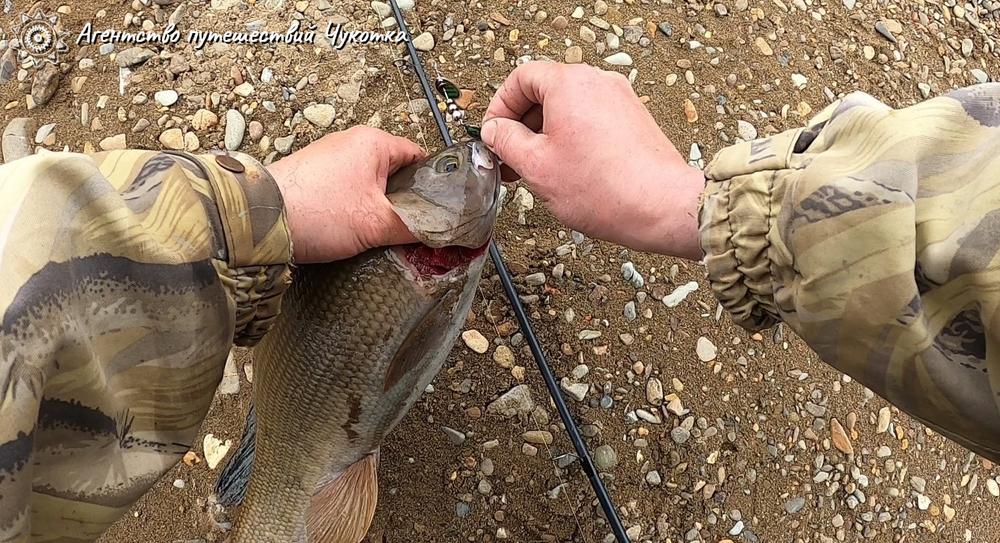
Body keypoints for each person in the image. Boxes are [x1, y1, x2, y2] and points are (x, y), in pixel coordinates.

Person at [0, 60, 996, 540]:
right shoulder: (426, 265)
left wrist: (256, 212)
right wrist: (696, 203)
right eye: (453, 169)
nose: (470, 164)